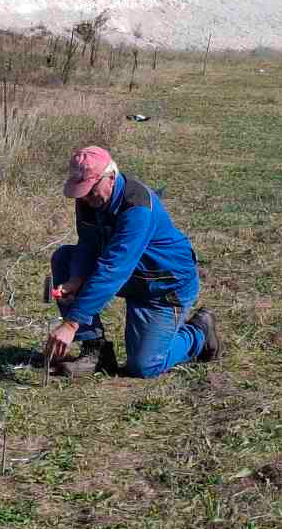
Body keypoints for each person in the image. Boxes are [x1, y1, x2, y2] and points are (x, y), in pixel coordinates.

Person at [44, 146, 220, 378]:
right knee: (65, 258)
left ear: (110, 177)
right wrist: (76, 278)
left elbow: (113, 269)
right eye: (81, 191)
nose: (85, 197)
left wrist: (72, 322)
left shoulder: (137, 208)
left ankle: (198, 333)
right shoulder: (88, 200)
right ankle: (95, 352)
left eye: (90, 190)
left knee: (144, 366)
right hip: (135, 278)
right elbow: (87, 244)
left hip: (164, 288)